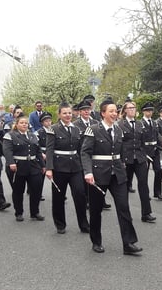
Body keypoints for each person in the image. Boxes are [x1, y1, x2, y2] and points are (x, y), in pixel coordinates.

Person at [80, 97, 143, 255]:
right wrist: (88, 172)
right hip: (98, 174)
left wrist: (123, 165)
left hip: (117, 174)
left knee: (124, 208)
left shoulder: (118, 130)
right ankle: (96, 241)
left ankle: (129, 243)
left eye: (116, 111)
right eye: (111, 111)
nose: (115, 114)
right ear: (103, 113)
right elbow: (85, 153)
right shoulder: (93, 129)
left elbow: (120, 152)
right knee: (96, 210)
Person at [44, 102, 90, 234]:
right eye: (64, 113)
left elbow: (81, 149)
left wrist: (85, 167)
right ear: (59, 114)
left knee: (80, 195)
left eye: (69, 113)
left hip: (75, 167)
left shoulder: (76, 129)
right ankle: (60, 224)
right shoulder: (53, 129)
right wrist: (49, 168)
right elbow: (49, 149)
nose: (68, 115)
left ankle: (84, 224)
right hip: (59, 167)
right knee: (58, 197)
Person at [118, 100, 156, 222]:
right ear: (125, 110)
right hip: (126, 159)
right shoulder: (120, 124)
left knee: (143, 185)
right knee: (124, 187)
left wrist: (145, 155)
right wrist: (121, 160)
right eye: (129, 108)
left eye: (133, 108)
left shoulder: (140, 124)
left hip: (139, 159)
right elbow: (118, 143)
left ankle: (146, 213)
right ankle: (125, 214)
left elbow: (143, 141)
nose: (132, 110)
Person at [2, 114, 45, 222]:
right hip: (18, 166)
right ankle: (19, 212)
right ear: (16, 124)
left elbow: (38, 151)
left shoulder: (33, 136)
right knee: (18, 191)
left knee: (36, 190)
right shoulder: (10, 135)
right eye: (22, 123)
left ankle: (35, 212)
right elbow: (7, 150)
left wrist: (43, 165)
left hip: (33, 166)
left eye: (26, 123)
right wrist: (11, 163)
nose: (24, 125)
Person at [140, 102, 162, 200]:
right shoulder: (140, 123)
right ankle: (145, 193)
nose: (149, 113)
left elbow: (157, 135)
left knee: (159, 171)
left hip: (155, 149)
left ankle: (158, 192)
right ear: (143, 112)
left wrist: (161, 144)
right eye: (147, 111)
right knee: (144, 174)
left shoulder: (154, 123)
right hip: (145, 151)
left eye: (151, 111)